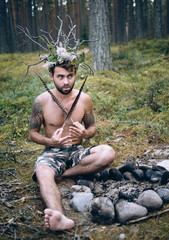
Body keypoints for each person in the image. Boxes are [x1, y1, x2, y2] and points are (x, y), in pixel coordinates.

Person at [29, 61, 115, 231]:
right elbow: (33, 133)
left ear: (75, 75)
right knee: (42, 171)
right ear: (51, 76)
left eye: (70, 76)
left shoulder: (84, 99)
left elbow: (92, 128)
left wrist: (85, 134)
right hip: (52, 152)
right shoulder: (41, 101)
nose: (66, 82)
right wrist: (50, 142)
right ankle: (59, 216)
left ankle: (63, 174)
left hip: (77, 151)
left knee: (108, 152)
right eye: (60, 77)